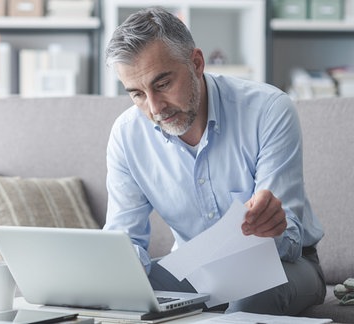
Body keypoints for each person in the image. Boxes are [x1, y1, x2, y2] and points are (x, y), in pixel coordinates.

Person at [103, 7, 326, 315]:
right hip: (193, 269)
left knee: (252, 296)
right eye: (137, 94)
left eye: (163, 84)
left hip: (281, 264)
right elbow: (124, 240)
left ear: (196, 63)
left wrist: (272, 225)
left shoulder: (269, 110)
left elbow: (287, 242)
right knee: (116, 295)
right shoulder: (127, 135)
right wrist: (111, 272)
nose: (155, 108)